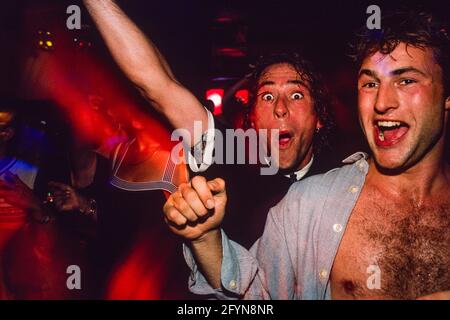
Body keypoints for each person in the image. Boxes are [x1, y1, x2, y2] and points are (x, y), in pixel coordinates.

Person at [163, 9, 450, 299]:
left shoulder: (319, 183)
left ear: (319, 118)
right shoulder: (294, 198)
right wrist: (205, 239)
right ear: (251, 119)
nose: (382, 102)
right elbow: (253, 297)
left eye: (406, 81)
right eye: (370, 83)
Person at [83, 0, 336, 248]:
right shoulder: (231, 157)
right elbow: (159, 86)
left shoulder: (346, 179)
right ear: (254, 120)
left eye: (296, 95)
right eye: (267, 96)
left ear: (319, 118)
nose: (280, 108)